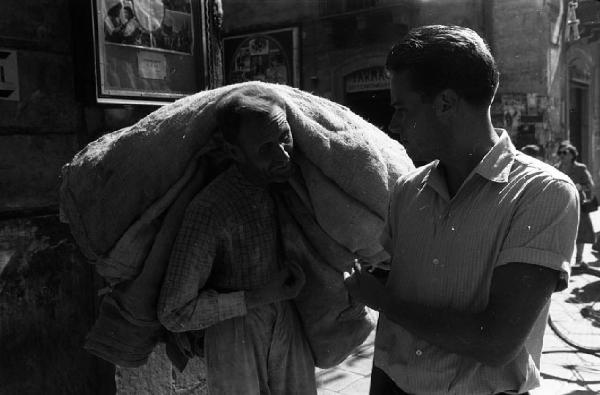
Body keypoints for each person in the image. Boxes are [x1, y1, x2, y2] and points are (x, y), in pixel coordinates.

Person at [344, 25, 579, 395]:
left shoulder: (542, 193)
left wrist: (380, 300)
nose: (394, 124)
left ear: (446, 104)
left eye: (402, 109)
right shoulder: (407, 190)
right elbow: (395, 308)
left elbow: (496, 343)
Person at [157, 88, 317, 394]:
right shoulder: (211, 210)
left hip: (288, 325)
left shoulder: (294, 188)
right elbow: (174, 312)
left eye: (284, 137)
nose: (283, 154)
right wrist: (256, 297)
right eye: (265, 148)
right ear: (234, 152)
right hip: (235, 336)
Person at [555, 142, 594, 265]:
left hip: (578, 203)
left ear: (572, 155)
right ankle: (563, 259)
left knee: (581, 230)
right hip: (561, 204)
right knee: (562, 231)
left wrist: (580, 187)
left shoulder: (580, 168)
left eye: (565, 153)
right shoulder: (555, 168)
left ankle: (579, 258)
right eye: (560, 152)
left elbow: (590, 185)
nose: (562, 155)